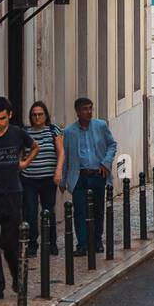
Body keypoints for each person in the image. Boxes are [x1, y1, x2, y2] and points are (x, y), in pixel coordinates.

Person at [0, 97, 38, 299]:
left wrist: (25, 163)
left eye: (2, 118)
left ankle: (17, 277)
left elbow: (34, 146)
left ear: (10, 115)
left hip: (12, 194)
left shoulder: (18, 133)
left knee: (9, 243)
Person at [62, 98, 117, 257]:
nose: (89, 111)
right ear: (78, 112)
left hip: (97, 174)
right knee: (79, 211)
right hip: (79, 176)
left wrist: (106, 163)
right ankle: (83, 244)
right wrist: (63, 179)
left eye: (90, 108)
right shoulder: (70, 132)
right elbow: (65, 156)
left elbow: (112, 145)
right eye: (85, 109)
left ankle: (97, 241)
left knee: (98, 210)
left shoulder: (100, 126)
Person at [21, 101, 64, 257]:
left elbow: (61, 152)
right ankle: (33, 245)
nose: (37, 117)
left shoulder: (53, 130)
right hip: (29, 179)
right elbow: (20, 153)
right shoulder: (25, 132)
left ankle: (51, 242)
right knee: (31, 212)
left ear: (46, 115)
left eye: (40, 114)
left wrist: (58, 171)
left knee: (48, 211)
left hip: (48, 179)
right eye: (34, 115)